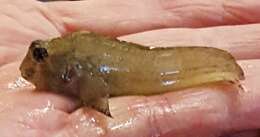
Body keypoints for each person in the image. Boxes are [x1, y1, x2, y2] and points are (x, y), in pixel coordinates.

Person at [0, 0, 260, 136]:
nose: (30, 71)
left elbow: (94, 87)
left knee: (163, 67)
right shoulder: (66, 55)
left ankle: (221, 66)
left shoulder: (69, 61)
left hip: (144, 66)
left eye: (40, 57)